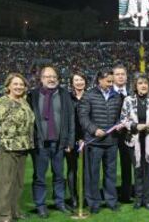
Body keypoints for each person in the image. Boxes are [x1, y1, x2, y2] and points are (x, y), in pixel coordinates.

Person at [28, 66, 75, 218]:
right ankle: (40, 205)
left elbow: (70, 119)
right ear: (41, 79)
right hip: (40, 143)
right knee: (40, 176)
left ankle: (59, 202)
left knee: (59, 175)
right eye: (47, 76)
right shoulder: (32, 95)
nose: (51, 79)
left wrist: (69, 141)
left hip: (59, 143)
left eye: (54, 76)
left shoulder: (64, 94)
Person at [0, 73, 35, 222]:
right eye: (15, 84)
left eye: (21, 84)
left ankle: (15, 211)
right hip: (7, 148)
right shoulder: (2, 102)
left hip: (23, 146)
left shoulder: (24, 102)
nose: (19, 87)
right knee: (6, 184)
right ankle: (4, 216)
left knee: (18, 183)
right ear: (8, 86)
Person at [78, 69, 123, 214]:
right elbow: (83, 117)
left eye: (112, 81)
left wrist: (119, 125)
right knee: (93, 174)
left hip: (111, 142)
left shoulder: (117, 96)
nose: (111, 84)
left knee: (111, 174)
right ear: (99, 80)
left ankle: (111, 201)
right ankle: (94, 202)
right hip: (94, 142)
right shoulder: (89, 95)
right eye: (108, 81)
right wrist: (94, 130)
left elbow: (119, 116)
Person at [120, 74, 149, 210]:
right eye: (140, 83)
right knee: (138, 170)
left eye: (145, 83)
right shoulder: (128, 100)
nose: (143, 85)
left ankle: (148, 200)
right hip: (134, 140)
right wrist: (135, 126)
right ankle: (138, 199)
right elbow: (123, 119)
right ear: (135, 85)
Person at [65, 72, 87, 209]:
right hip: (71, 139)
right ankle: (73, 197)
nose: (79, 82)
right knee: (72, 169)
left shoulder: (90, 96)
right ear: (72, 83)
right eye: (76, 80)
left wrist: (86, 138)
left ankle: (83, 197)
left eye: (81, 80)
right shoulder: (67, 97)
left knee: (86, 170)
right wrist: (68, 141)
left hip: (87, 139)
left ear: (85, 81)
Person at [112, 64, 132, 203]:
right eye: (117, 74)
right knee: (110, 166)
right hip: (111, 135)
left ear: (126, 77)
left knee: (127, 165)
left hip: (128, 135)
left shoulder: (131, 93)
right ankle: (111, 194)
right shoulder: (107, 92)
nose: (120, 76)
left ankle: (126, 194)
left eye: (122, 74)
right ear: (113, 77)